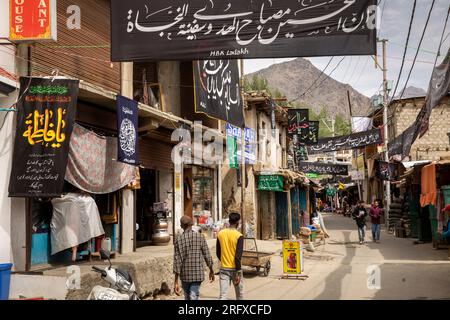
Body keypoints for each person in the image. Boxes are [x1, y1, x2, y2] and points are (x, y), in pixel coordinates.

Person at [173, 215, 214, 300]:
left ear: (181, 226)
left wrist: (176, 281)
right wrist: (211, 270)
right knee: (193, 296)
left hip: (185, 275)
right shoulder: (200, 237)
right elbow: (207, 254)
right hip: (197, 274)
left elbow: (177, 261)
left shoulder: (178, 240)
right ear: (192, 224)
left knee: (188, 296)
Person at [216, 212, 244, 300]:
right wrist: (239, 271)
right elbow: (238, 256)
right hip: (235, 269)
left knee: (223, 295)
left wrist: (224, 260)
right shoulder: (239, 236)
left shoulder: (220, 233)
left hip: (224, 268)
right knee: (239, 295)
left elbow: (218, 252)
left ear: (229, 221)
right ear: (238, 222)